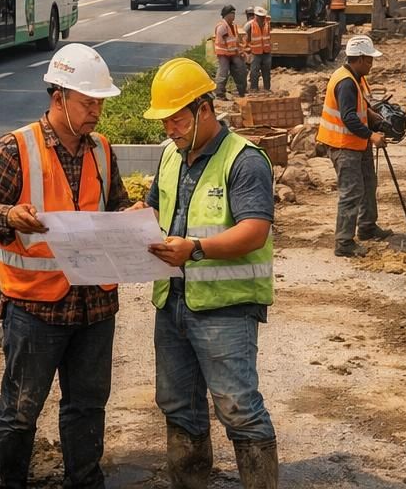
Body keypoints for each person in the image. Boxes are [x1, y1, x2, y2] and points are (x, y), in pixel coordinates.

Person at [0, 43, 130, 489]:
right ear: (58, 97)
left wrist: (133, 221)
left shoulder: (101, 149)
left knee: (87, 407)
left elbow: (114, 207)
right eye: (88, 103)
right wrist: (9, 216)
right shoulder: (15, 147)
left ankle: (84, 482)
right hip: (37, 310)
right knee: (20, 411)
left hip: (95, 307)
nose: (96, 112)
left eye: (100, 103)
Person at [136, 58, 279, 489]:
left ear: (204, 109)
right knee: (178, 405)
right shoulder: (169, 156)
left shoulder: (245, 160)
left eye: (177, 120)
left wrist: (195, 249)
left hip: (226, 308)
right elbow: (155, 207)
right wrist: (131, 220)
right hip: (173, 302)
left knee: (238, 407)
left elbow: (254, 231)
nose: (170, 130)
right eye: (164, 122)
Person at [318, 35, 393, 257]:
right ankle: (343, 242)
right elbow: (349, 118)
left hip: (357, 143)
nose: (371, 64)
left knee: (369, 183)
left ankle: (367, 227)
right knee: (351, 193)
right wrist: (372, 136)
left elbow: (361, 108)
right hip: (343, 145)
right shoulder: (346, 82)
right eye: (369, 60)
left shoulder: (356, 77)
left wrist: (377, 119)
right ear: (359, 58)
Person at [212, 5, 248, 98]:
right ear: (226, 15)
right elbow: (222, 42)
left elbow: (235, 41)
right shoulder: (222, 27)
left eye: (234, 14)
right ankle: (219, 93)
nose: (233, 16)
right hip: (224, 54)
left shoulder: (233, 26)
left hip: (233, 53)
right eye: (232, 14)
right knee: (223, 73)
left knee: (241, 70)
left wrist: (240, 52)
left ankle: (242, 91)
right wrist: (232, 52)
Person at [245, 6, 273, 93]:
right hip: (255, 52)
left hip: (266, 52)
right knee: (254, 72)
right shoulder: (250, 25)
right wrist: (248, 48)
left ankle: (267, 88)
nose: (261, 19)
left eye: (263, 17)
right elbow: (247, 38)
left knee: (266, 71)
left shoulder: (267, 24)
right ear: (255, 16)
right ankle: (254, 88)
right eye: (259, 17)